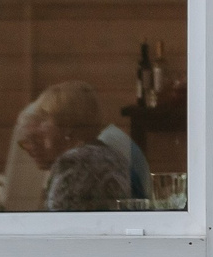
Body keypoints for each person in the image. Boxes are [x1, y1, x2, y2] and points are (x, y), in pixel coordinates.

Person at [19, 81, 131, 211]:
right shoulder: (112, 155)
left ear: (66, 126)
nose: (41, 128)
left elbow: (59, 219)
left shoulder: (74, 163)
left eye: (45, 120)